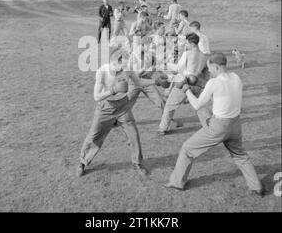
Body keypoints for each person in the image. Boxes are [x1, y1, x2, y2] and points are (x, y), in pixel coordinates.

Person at [165, 53, 264, 196]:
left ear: (216, 66)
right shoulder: (236, 77)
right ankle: (257, 187)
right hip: (235, 125)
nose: (209, 71)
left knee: (187, 148)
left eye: (210, 68)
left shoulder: (214, 83)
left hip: (219, 127)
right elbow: (222, 93)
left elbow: (197, 105)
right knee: (240, 155)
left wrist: (186, 89)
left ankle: (177, 182)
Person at [77, 46, 169, 178]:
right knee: (94, 136)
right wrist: (113, 90)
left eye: (124, 66)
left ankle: (137, 162)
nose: (122, 69)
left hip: (123, 106)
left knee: (134, 135)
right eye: (120, 66)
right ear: (113, 61)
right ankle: (83, 162)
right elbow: (96, 97)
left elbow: (138, 81)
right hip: (105, 108)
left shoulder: (126, 68)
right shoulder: (102, 71)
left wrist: (156, 81)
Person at [157, 33, 208, 135]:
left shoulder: (188, 53)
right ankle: (209, 126)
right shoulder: (204, 56)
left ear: (191, 43)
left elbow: (177, 68)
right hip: (197, 84)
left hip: (184, 83)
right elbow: (205, 73)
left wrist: (166, 64)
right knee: (199, 106)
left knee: (170, 105)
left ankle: (163, 128)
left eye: (187, 43)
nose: (186, 45)